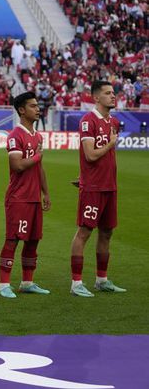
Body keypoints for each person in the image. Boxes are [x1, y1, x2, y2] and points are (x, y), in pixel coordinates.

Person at [70, 81, 125, 297]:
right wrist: (111, 144)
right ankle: (76, 284)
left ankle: (101, 279)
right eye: (107, 93)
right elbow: (91, 155)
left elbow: (108, 158)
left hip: (109, 186)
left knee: (107, 232)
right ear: (96, 98)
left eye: (113, 93)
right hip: (94, 187)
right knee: (84, 231)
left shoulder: (113, 121)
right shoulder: (88, 121)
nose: (113, 96)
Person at [0, 92, 51, 299]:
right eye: (33, 106)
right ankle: (4, 284)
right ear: (21, 110)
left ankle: (27, 282)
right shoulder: (15, 136)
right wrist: (38, 156)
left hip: (33, 197)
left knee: (33, 240)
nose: (37, 109)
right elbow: (17, 165)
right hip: (18, 197)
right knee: (13, 240)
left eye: (37, 106)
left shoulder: (37, 136)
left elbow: (39, 166)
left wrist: (45, 192)